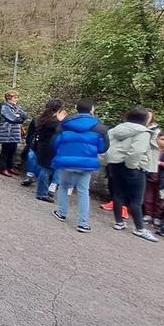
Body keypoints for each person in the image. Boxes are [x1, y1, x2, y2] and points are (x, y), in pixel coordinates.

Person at [51, 99, 109, 233]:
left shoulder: (65, 124)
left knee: (64, 186)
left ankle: (62, 213)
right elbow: (103, 148)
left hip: (66, 162)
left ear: (76, 108)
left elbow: (55, 143)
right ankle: (83, 223)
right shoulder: (99, 127)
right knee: (83, 191)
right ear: (92, 109)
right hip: (86, 164)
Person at [104, 108, 160, 242]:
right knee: (136, 199)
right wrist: (132, 166)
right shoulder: (143, 132)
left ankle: (118, 222)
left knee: (118, 194)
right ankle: (140, 228)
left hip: (115, 164)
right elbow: (136, 151)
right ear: (145, 119)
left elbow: (107, 146)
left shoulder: (114, 130)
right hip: (134, 168)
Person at [31, 99, 66, 202]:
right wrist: (60, 121)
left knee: (45, 168)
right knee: (46, 170)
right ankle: (42, 193)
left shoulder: (41, 118)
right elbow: (60, 131)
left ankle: (44, 191)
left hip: (42, 146)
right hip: (49, 147)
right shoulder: (54, 122)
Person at [0, 90, 28, 177]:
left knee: (13, 150)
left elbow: (25, 115)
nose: (16, 99)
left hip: (15, 132)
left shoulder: (17, 106)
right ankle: (3, 168)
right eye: (14, 97)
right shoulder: (5, 107)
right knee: (5, 150)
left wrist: (20, 116)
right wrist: (19, 116)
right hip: (6, 131)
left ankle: (10, 167)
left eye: (17, 97)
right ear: (8, 98)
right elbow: (13, 118)